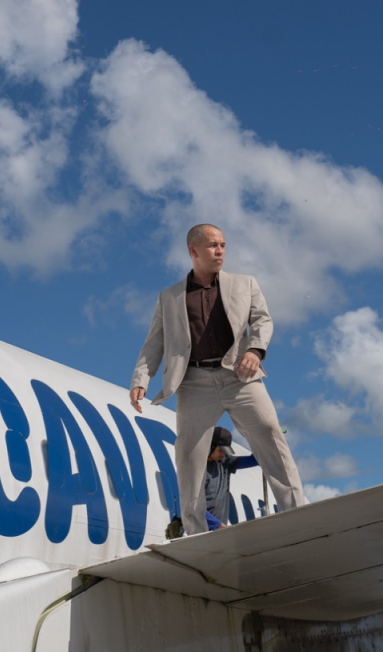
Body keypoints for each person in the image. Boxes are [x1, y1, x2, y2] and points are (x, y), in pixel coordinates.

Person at [130, 224, 305, 536]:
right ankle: (196, 532)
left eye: (223, 245)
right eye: (213, 245)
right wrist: (141, 378)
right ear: (193, 251)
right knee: (187, 456)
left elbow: (262, 320)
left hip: (240, 375)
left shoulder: (245, 283)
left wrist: (255, 350)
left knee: (269, 433)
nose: (221, 251)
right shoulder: (169, 297)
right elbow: (154, 342)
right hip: (194, 381)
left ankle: (298, 514)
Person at [203, 427, 258, 531]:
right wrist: (218, 525)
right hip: (201, 533)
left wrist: (264, 440)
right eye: (220, 450)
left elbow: (255, 460)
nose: (223, 454)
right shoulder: (196, 472)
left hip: (218, 532)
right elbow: (194, 506)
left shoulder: (225, 463)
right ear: (210, 446)